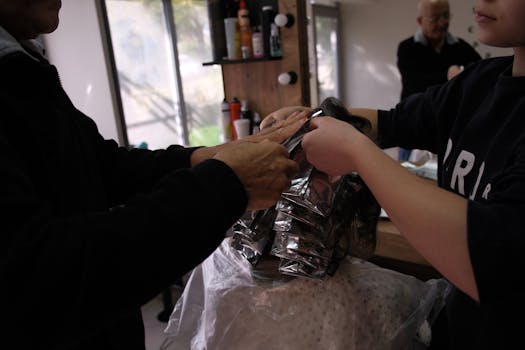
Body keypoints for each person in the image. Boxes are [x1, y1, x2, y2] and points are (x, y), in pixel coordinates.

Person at [0, 1, 310, 349]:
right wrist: (225, 182)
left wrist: (206, 157)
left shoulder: (23, 67)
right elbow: (37, 275)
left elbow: (104, 166)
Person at [299, 0, 525, 348]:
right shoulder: (480, 81)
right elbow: (391, 122)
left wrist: (358, 153)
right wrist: (310, 119)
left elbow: (492, 260)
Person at [396, 0, 481, 161]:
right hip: (414, 123)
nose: (442, 22)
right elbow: (415, 83)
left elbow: (480, 73)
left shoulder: (461, 47)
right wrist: (449, 74)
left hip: (449, 126)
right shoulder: (407, 48)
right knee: (406, 173)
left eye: (445, 16)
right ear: (420, 21)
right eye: (435, 18)